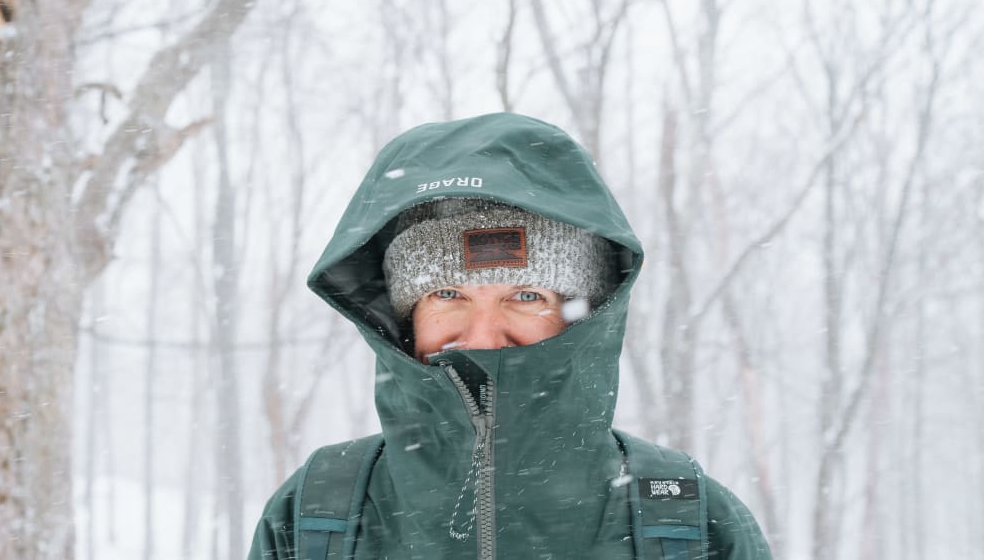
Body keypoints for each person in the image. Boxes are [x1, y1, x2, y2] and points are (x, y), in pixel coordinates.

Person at [248, 113, 772, 559]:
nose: (482, 336)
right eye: (447, 294)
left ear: (582, 316)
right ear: (406, 317)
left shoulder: (690, 525)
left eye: (525, 296)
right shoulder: (315, 516)